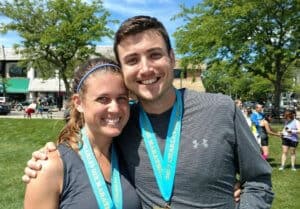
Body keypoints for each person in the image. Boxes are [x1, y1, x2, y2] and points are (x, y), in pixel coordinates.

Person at [23, 16, 273, 208]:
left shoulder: (220, 109)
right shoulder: (123, 126)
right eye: (132, 60)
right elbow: (85, 151)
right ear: (123, 69)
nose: (145, 69)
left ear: (172, 59)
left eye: (155, 55)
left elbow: (259, 182)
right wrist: (44, 161)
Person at [24, 57, 142, 209]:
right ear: (79, 103)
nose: (115, 108)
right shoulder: (50, 167)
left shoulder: (131, 154)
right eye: (103, 99)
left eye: (121, 98)